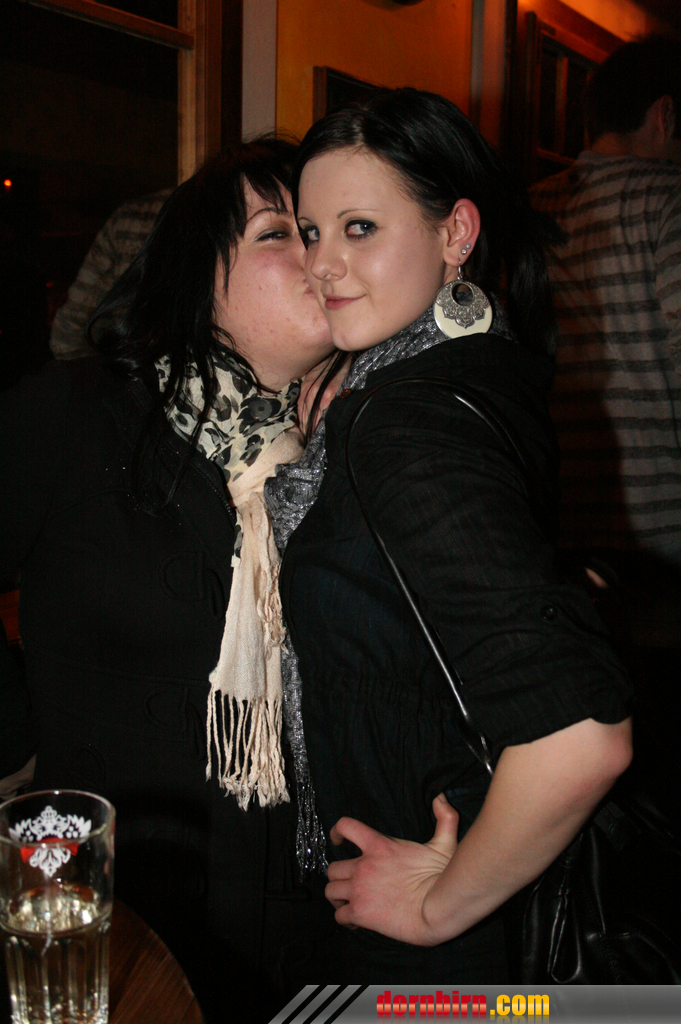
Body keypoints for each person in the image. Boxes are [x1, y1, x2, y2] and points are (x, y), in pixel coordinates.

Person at [265, 88, 633, 983]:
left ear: (455, 233)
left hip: (425, 899)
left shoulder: (406, 422)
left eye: (359, 228)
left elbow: (580, 732)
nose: (322, 264)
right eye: (308, 232)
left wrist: (440, 904)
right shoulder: (474, 368)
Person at [0, 137, 339, 1022]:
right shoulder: (76, 413)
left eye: (323, 231)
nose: (318, 256)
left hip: (310, 926)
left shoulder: (358, 451)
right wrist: (14, 745)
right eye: (279, 233)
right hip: (120, 915)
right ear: (195, 277)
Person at [530, 37, 681, 801]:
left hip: (555, 542)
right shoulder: (670, 202)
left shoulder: (529, 212)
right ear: (665, 116)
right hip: (664, 548)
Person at [49, 188, 172, 360]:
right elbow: (69, 331)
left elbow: (68, 333)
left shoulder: (135, 215)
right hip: (130, 364)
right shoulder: (134, 217)